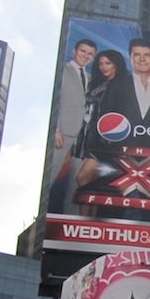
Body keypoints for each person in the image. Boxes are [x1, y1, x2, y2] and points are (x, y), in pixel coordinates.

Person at [76, 38, 150, 221]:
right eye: (137, 55)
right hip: (119, 158)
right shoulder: (116, 85)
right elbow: (104, 121)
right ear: (130, 58)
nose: (142, 59)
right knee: (111, 209)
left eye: (146, 55)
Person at [50, 38, 97, 213]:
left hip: (83, 136)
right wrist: (56, 129)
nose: (86, 56)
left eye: (90, 54)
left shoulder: (91, 78)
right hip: (64, 132)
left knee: (77, 183)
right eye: (83, 52)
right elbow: (56, 99)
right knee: (51, 173)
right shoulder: (62, 71)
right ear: (74, 51)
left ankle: (69, 220)